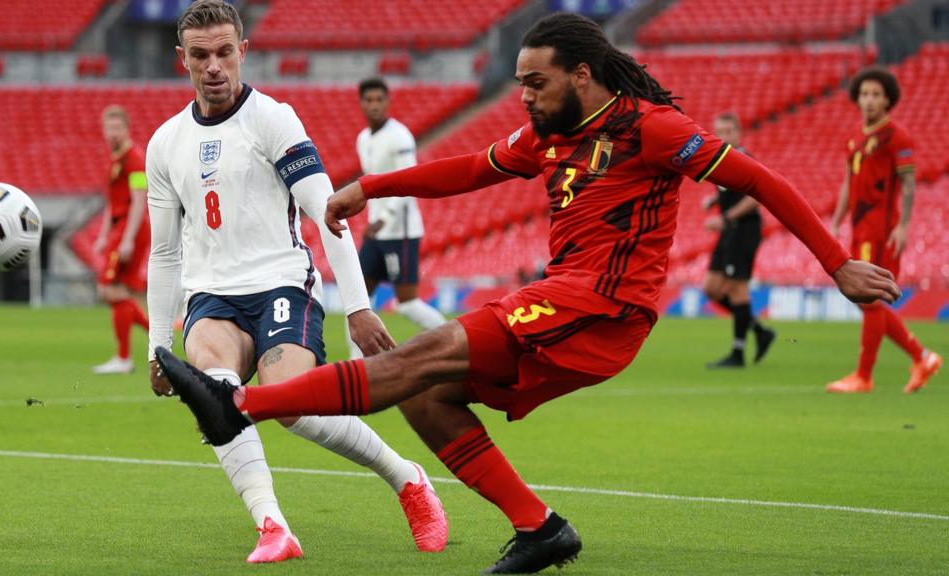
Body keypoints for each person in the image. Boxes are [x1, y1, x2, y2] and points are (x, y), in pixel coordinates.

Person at [154, 13, 900, 574]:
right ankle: (540, 528)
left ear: (581, 74)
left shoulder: (654, 129)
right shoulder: (545, 135)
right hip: (564, 302)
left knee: (430, 350)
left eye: (534, 82)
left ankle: (238, 406)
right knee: (425, 394)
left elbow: (759, 179)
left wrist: (836, 264)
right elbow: (466, 170)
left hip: (605, 308)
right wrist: (367, 188)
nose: (523, 97)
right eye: (517, 84)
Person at [143, 0, 446, 563]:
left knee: (291, 407)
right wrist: (159, 342)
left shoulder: (272, 120)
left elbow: (327, 212)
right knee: (214, 394)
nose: (214, 66)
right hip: (210, 296)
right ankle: (272, 526)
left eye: (225, 52)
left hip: (281, 284)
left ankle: (407, 479)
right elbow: (164, 250)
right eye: (201, 55)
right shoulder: (164, 144)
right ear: (181, 59)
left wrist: (357, 305)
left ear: (243, 52)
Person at [826, 68, 942, 393]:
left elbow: (907, 184)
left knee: (872, 300)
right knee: (869, 302)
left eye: (876, 94)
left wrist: (904, 226)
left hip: (882, 229)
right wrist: (836, 220)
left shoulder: (897, 137)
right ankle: (922, 357)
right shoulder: (854, 138)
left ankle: (863, 376)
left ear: (888, 99)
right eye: (864, 94)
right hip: (860, 227)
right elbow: (849, 182)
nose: (869, 100)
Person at [347, 77, 445, 359]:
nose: (375, 105)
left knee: (407, 303)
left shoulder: (400, 137)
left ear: (387, 102)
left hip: (400, 230)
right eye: (369, 100)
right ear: (361, 103)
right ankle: (358, 366)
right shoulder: (363, 139)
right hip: (375, 232)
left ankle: (457, 341)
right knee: (358, 301)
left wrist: (383, 219)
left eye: (380, 100)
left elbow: (409, 183)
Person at [701, 112, 775, 368]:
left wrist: (726, 217)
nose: (723, 136)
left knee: (736, 289)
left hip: (743, 229)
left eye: (728, 131)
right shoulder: (721, 160)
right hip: (729, 230)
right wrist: (714, 201)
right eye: (718, 131)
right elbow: (732, 191)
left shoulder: (743, 158)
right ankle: (759, 330)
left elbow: (756, 195)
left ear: (739, 133)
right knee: (711, 288)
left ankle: (738, 353)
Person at [92, 105, 151, 374]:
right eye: (109, 128)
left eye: (118, 128)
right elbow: (111, 202)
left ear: (127, 130)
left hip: (131, 227)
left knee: (110, 290)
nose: (113, 133)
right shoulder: (116, 159)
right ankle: (159, 334)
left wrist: (127, 239)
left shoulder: (134, 158)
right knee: (115, 292)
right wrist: (104, 235)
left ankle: (124, 357)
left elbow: (139, 199)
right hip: (120, 227)